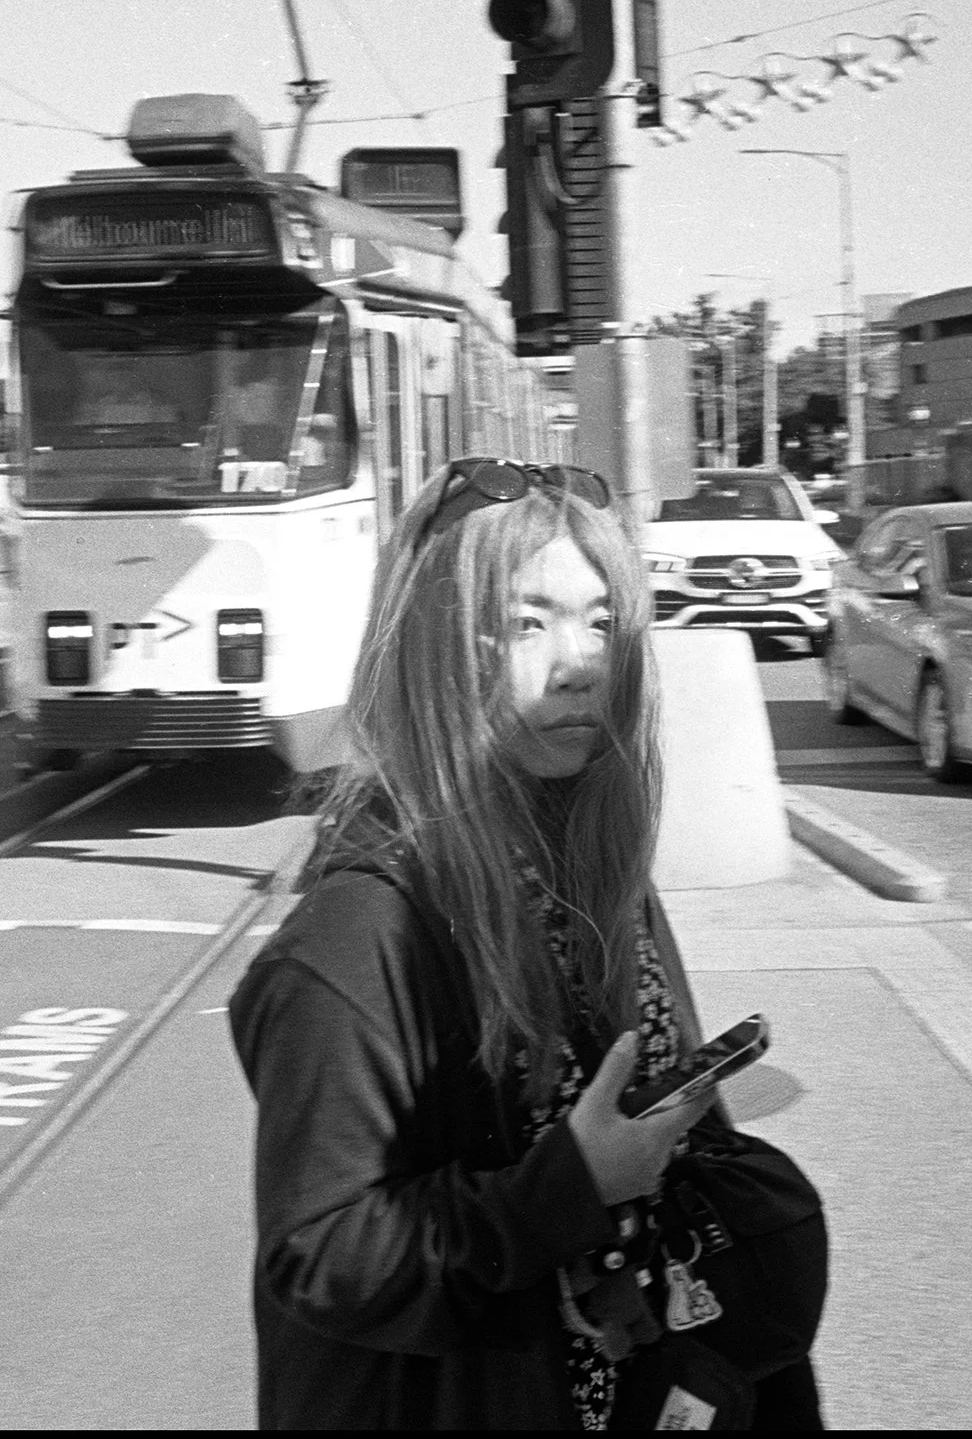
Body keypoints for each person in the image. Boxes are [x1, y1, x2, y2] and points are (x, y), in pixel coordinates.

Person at [230, 458, 827, 1430]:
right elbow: (322, 1249)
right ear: (436, 649)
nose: (579, 661)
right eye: (528, 620)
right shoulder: (357, 930)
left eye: (601, 620)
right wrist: (570, 1184)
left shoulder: (596, 867)